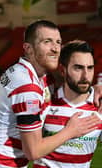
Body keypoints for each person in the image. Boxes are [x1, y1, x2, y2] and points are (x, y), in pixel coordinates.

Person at [0, 20, 102, 168]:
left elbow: (7, 131)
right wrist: (71, 131)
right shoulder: (27, 87)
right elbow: (33, 152)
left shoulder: (35, 76)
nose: (55, 49)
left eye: (58, 42)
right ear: (28, 48)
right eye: (47, 41)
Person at [33, 40, 102, 168]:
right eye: (78, 68)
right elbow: (15, 135)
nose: (85, 75)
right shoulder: (44, 102)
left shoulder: (99, 107)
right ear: (63, 70)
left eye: (90, 68)